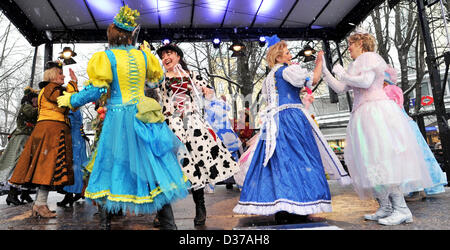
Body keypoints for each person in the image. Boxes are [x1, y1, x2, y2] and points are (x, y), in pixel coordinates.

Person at [57, 5, 190, 230]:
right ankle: (170, 226)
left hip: (118, 120)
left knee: (110, 166)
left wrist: (71, 100)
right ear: (129, 34)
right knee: (152, 167)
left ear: (112, 34)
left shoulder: (106, 57)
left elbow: (98, 90)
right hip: (142, 116)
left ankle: (106, 224)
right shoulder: (143, 55)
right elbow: (155, 82)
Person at [233, 36, 350, 224]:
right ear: (278, 57)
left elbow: (280, 95)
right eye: (286, 53)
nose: (290, 55)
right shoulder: (288, 71)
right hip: (291, 119)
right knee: (302, 159)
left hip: (274, 123)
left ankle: (283, 208)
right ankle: (300, 204)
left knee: (279, 163)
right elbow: (314, 79)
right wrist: (319, 62)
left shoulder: (269, 78)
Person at [321, 32, 434, 225]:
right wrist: (324, 69)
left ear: (361, 44)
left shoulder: (370, 58)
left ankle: (401, 209)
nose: (349, 47)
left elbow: (365, 82)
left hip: (375, 113)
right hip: (362, 115)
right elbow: (341, 88)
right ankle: (386, 207)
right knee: (370, 162)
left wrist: (343, 73)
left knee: (382, 159)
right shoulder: (355, 64)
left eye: (351, 44)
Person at [156, 43, 240, 226]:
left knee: (198, 163)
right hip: (170, 123)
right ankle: (162, 211)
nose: (165, 58)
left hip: (192, 122)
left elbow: (209, 94)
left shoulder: (192, 76)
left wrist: (208, 92)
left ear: (178, 56)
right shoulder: (160, 78)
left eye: (169, 53)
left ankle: (200, 207)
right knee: (165, 165)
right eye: (162, 56)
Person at [9, 61, 79, 218]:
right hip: (51, 131)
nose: (63, 76)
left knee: (46, 169)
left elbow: (70, 104)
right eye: (60, 74)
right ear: (53, 75)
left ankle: (40, 204)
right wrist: (73, 85)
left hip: (50, 130)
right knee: (47, 168)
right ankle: (40, 204)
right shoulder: (51, 88)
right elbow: (67, 103)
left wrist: (72, 87)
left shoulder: (50, 89)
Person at [383, 67, 447, 200]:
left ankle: (417, 189)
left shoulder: (388, 90)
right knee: (419, 156)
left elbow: (391, 109)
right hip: (406, 125)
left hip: (402, 126)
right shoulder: (394, 89)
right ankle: (419, 189)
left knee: (410, 158)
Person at [0, 87, 39, 205]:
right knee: (19, 164)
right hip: (22, 139)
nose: (37, 100)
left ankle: (25, 193)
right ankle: (12, 194)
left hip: (28, 138)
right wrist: (43, 105)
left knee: (28, 165)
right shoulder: (26, 107)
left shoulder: (30, 107)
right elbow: (33, 113)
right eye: (36, 98)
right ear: (31, 99)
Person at [56, 109, 89, 207]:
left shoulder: (71, 108)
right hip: (78, 139)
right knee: (78, 166)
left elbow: (68, 124)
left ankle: (70, 194)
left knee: (72, 166)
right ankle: (78, 191)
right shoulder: (77, 109)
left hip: (73, 140)